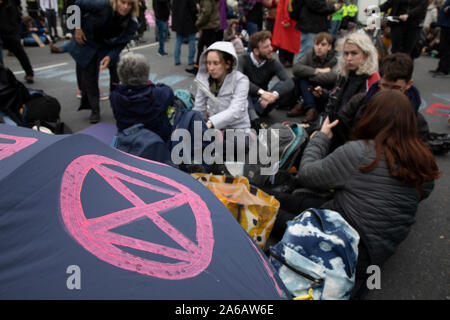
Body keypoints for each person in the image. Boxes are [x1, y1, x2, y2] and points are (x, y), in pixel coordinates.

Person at [273, 89, 440, 299]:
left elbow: (307, 174)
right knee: (289, 201)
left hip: (342, 243)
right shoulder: (423, 157)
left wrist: (321, 138)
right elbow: (423, 192)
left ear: (372, 116)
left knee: (272, 209)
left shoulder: (361, 151)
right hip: (377, 251)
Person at [337, 53, 430, 149]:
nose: (388, 92)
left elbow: (421, 153)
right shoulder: (360, 102)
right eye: (385, 86)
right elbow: (340, 126)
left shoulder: (415, 120)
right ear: (379, 81)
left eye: (396, 88)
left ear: (408, 84)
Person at [68, 0, 139, 123]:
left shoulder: (132, 22)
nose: (126, 7)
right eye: (123, 2)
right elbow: (76, 4)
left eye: (129, 4)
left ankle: (117, 104)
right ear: (117, 2)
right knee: (90, 76)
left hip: (108, 46)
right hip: (89, 42)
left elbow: (121, 44)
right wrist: (77, 28)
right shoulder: (102, 5)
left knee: (116, 75)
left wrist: (110, 56)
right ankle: (95, 110)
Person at [310, 32, 380, 123]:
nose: (349, 58)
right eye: (346, 54)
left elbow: (364, 114)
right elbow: (337, 99)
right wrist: (323, 94)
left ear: (365, 54)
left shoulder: (372, 78)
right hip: (333, 122)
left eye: (354, 53)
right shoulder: (345, 73)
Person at [110, 52, 174, 142]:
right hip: (157, 141)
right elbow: (168, 92)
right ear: (146, 72)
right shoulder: (159, 93)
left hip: (128, 141)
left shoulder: (115, 96)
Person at [238, 30, 294, 124]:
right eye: (266, 47)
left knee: (282, 84)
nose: (271, 49)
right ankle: (253, 117)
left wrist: (274, 95)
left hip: (263, 102)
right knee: (242, 85)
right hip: (243, 101)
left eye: (270, 45)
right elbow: (239, 81)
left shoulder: (272, 62)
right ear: (256, 51)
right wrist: (262, 92)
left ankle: (253, 117)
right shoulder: (243, 59)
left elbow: (289, 82)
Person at [193, 41, 251, 130]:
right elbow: (199, 108)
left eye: (216, 63)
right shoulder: (204, 81)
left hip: (238, 129)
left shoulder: (241, 80)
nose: (211, 68)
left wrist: (211, 122)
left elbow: (235, 111)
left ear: (227, 64)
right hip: (214, 129)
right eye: (208, 63)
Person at [287, 32, 338, 120]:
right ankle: (311, 109)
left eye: (323, 45)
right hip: (312, 86)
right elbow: (296, 68)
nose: (319, 47)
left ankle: (304, 105)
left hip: (326, 89)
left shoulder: (335, 58)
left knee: (304, 79)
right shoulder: (311, 54)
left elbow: (332, 77)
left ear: (329, 47)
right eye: (317, 44)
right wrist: (317, 71)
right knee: (300, 79)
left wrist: (308, 75)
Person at [0, 0, 34, 83]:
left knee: (20, 53)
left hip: (10, 31)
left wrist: (13, 28)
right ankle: (3, 77)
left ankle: (29, 73)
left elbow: (16, 16)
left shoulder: (10, 4)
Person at [186, 0, 221, 75]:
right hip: (212, 25)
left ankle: (203, 68)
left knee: (206, 48)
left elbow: (206, 12)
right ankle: (198, 67)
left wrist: (198, 22)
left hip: (208, 26)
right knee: (204, 47)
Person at [271, 0, 301, 68]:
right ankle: (287, 60)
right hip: (287, 20)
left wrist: (286, 19)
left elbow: (286, 5)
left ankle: (286, 59)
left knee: (285, 41)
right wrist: (286, 19)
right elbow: (287, 5)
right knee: (288, 42)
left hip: (285, 20)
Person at [171, 0, 198, 66]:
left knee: (178, 40)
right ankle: (190, 60)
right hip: (189, 21)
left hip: (178, 21)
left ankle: (177, 60)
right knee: (191, 40)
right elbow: (193, 9)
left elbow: (172, 8)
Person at [429, 0, 450, 76]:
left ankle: (444, 69)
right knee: (443, 47)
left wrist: (448, 8)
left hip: (448, 25)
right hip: (445, 25)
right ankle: (440, 67)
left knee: (447, 48)